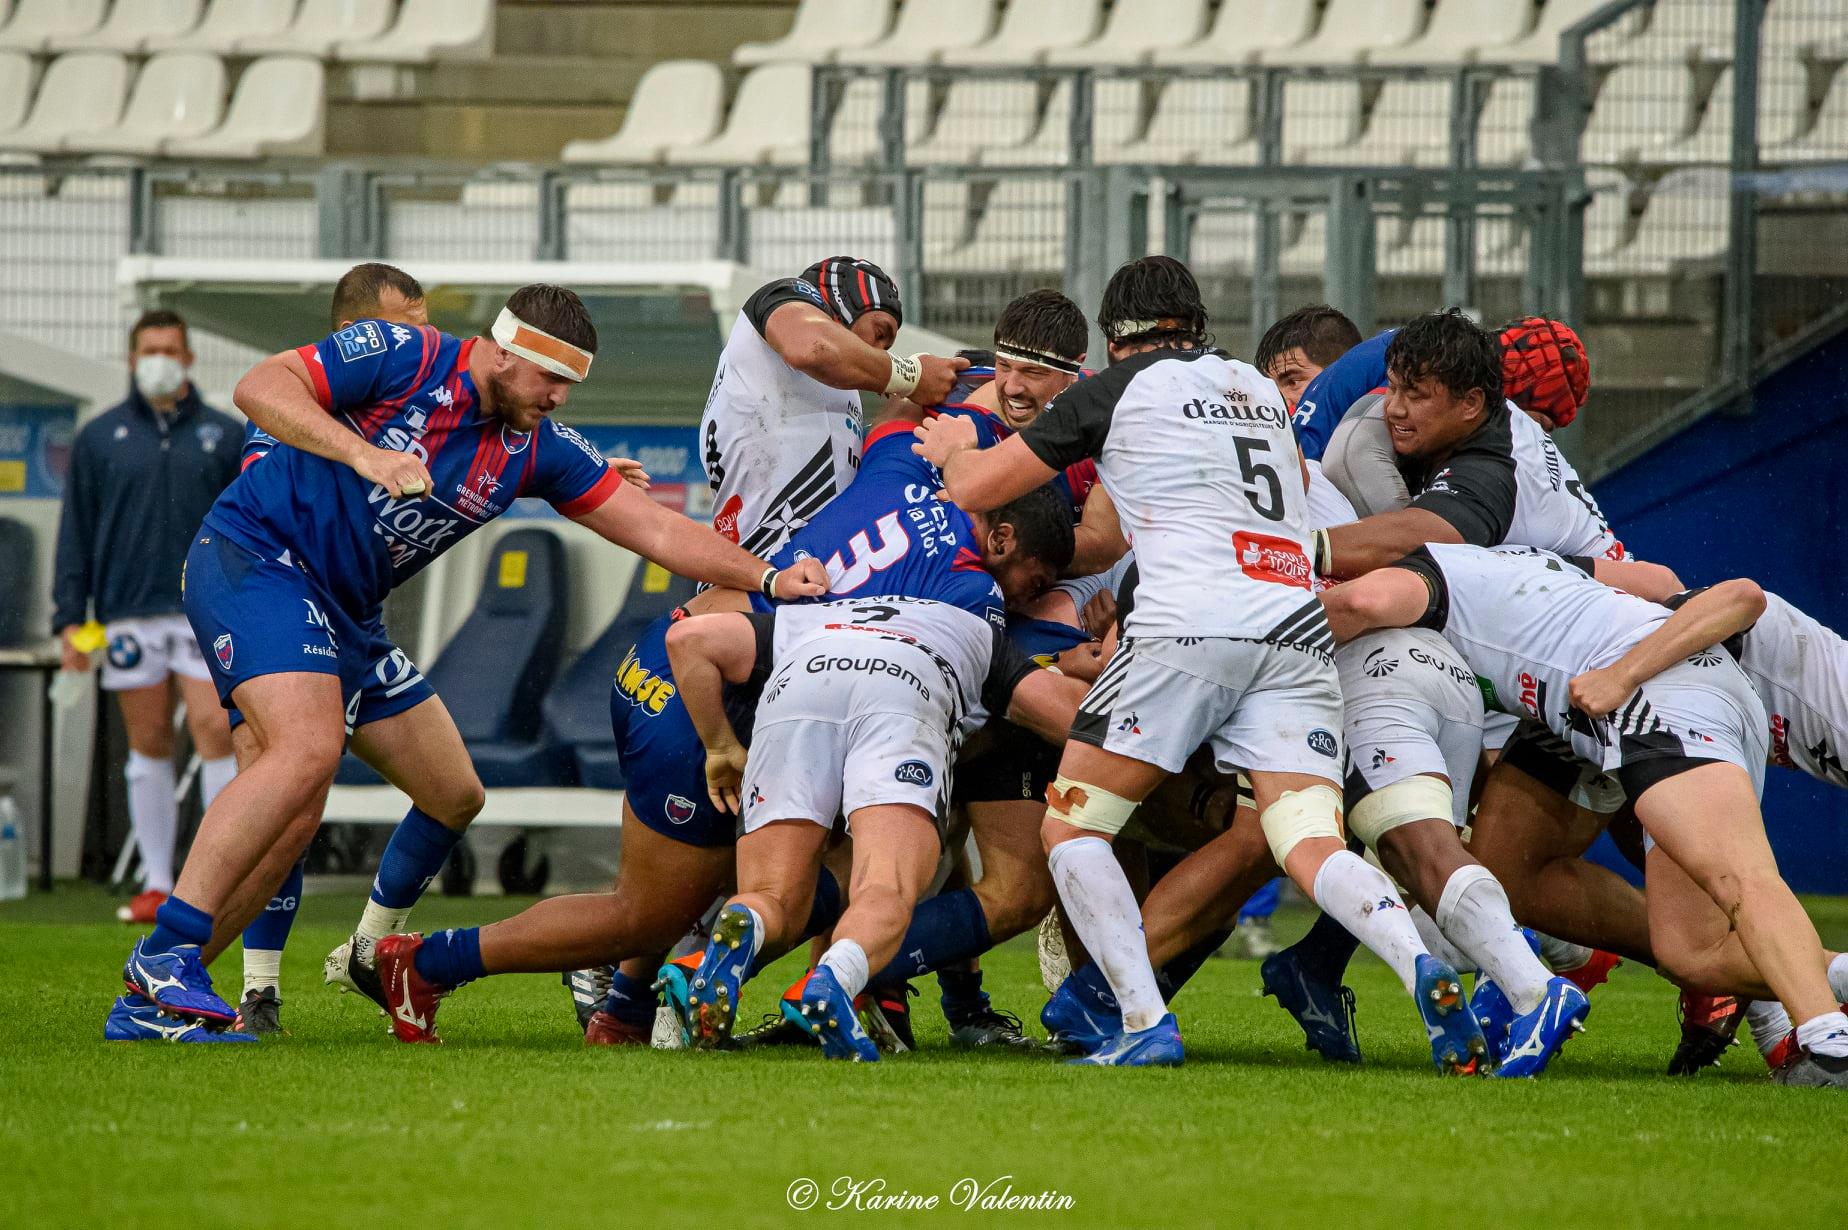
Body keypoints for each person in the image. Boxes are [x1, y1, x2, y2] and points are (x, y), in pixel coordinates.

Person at [105, 284, 829, 1043]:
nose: (559, 397)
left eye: (570, 384)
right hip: (260, 564)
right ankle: (170, 955)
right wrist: (366, 454)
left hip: (349, 616)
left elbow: (657, 530)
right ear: (507, 352)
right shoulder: (405, 353)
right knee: (306, 753)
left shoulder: (537, 448)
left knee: (451, 791)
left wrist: (769, 578)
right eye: (551, 377)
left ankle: (205, 987)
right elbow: (259, 385)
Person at [914, 256, 1486, 1071]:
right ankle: (1418, 963)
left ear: (1116, 339)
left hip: (1189, 622)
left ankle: (1144, 1021)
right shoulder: (1255, 389)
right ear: (1195, 325)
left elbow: (982, 487)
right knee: (1305, 837)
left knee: (1072, 826)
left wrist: (949, 450)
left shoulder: (1119, 386)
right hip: (1294, 622)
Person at [365, 403, 1075, 1046]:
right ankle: (428, 964)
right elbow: (1000, 695)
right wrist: (719, 745)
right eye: (1036, 582)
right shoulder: (970, 592)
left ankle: (630, 1009)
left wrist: (954, 426)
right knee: (650, 912)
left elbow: (912, 409)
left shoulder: (899, 464)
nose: (1032, 599)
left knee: (804, 865)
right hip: (708, 696)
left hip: (692, 649)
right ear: (1003, 538)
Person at [1320, 543, 1848, 1088]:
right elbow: (1656, 580)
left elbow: (1361, 602)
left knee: (1738, 877)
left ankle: (1830, 1046)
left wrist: (1278, 639)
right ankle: (1835, 976)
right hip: (1600, 710)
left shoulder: (1423, 572)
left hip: (1655, 694)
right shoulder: (1527, 563)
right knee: (1690, 951)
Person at [662, 593, 1086, 1060]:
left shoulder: (822, 613)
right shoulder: (976, 631)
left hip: (797, 688)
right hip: (903, 693)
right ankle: (834, 980)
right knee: (885, 888)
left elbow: (687, 638)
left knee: (773, 896)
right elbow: (1064, 713)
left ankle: (749, 921)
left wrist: (720, 746)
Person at [227, 262, 431, 1034]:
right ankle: (255, 990)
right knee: (288, 805)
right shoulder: (291, 406)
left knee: (453, 792)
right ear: (355, 332)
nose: (422, 344)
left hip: (360, 627)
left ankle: (368, 952)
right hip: (283, 620)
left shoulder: (410, 405)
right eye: (406, 328)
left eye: (426, 328)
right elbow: (285, 513)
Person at [52, 309, 242, 926]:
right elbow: (76, 532)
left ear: (188, 358)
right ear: (132, 359)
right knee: (149, 741)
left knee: (216, 732)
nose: (160, 359)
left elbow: (246, 525)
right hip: (127, 613)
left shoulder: (224, 434)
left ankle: (215, 881)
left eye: (170, 349)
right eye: (149, 349)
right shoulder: (99, 437)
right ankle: (158, 883)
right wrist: (68, 618)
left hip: (204, 609)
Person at [701, 256, 966, 556]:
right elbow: (812, 347)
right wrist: (911, 376)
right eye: (880, 333)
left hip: (809, 565)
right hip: (764, 562)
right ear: (845, 299)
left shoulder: (835, 387)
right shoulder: (784, 295)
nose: (879, 351)